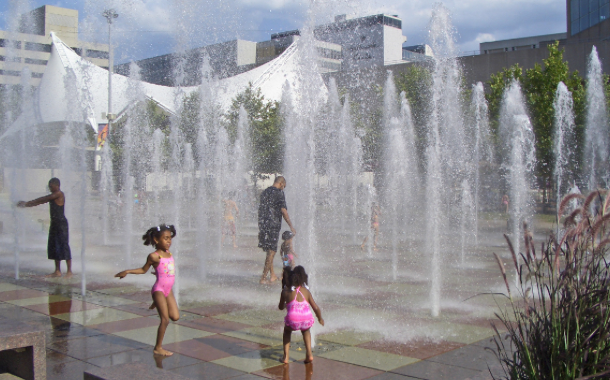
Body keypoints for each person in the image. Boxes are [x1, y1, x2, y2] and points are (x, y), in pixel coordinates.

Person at [115, 224, 179, 357]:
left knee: (175, 317)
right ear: (156, 240)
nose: (168, 241)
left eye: (170, 238)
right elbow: (143, 270)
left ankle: (157, 303)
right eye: (165, 238)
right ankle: (158, 347)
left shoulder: (169, 253)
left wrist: (159, 273)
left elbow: (166, 271)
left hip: (169, 290)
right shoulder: (154, 256)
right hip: (159, 290)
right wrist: (127, 271)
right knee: (165, 320)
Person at [17, 178, 73, 278]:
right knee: (55, 246)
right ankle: (57, 271)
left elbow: (43, 199)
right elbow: (42, 200)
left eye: (51, 186)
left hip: (61, 224)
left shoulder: (59, 194)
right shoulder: (54, 194)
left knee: (64, 245)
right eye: (49, 186)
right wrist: (27, 204)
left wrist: (26, 204)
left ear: (57, 186)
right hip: (55, 224)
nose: (50, 188)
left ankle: (69, 271)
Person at [278, 266, 324, 364]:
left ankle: (286, 357)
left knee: (287, 331)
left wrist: (286, 305)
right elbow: (315, 307)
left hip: (293, 320)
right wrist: (320, 318)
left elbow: (280, 307)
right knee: (306, 331)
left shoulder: (285, 292)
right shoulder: (306, 291)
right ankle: (309, 355)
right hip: (306, 319)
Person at [258, 176, 296, 284]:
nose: (283, 188)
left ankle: (272, 275)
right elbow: (283, 211)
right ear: (281, 183)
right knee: (272, 251)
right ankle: (263, 278)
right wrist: (291, 226)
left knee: (269, 250)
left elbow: (261, 209)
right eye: (284, 186)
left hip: (263, 223)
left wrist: (261, 225)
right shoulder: (279, 193)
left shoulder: (265, 192)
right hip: (273, 225)